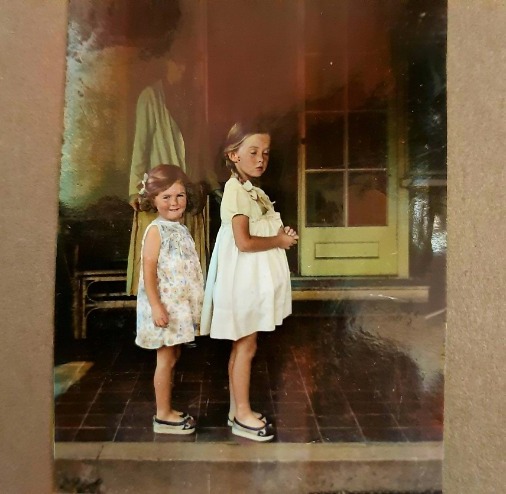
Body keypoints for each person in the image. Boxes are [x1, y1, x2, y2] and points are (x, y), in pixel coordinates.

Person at [201, 122, 298, 442]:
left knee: (245, 344)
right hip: (242, 279)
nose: (260, 159)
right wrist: (279, 242)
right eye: (253, 152)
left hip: (250, 277)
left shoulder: (251, 190)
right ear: (233, 155)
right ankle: (242, 414)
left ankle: (236, 410)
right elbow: (243, 242)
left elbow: (260, 229)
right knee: (245, 345)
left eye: (265, 153)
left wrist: (280, 234)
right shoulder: (235, 191)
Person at [127, 56, 221, 296]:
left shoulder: (194, 99)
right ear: (166, 63)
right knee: (159, 268)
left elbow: (202, 151)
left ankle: (187, 313)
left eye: (186, 63)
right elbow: (140, 146)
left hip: (189, 195)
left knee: (188, 270)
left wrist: (214, 187)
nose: (183, 68)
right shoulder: (151, 97)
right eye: (177, 62)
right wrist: (135, 190)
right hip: (162, 193)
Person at [135, 164, 204, 434]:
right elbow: (148, 270)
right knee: (165, 359)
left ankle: (167, 409)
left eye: (179, 195)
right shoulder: (156, 230)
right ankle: (163, 415)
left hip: (178, 307)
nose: (174, 202)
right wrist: (156, 306)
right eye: (166, 197)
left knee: (173, 356)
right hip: (164, 307)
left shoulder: (179, 228)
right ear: (153, 200)